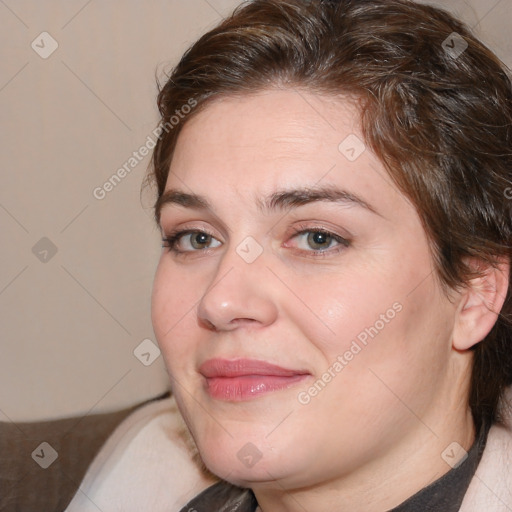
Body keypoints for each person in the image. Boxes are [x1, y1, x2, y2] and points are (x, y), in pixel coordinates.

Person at [66, 0, 512, 510]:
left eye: (317, 238)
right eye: (196, 237)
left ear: (476, 293)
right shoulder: (126, 482)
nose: (221, 301)